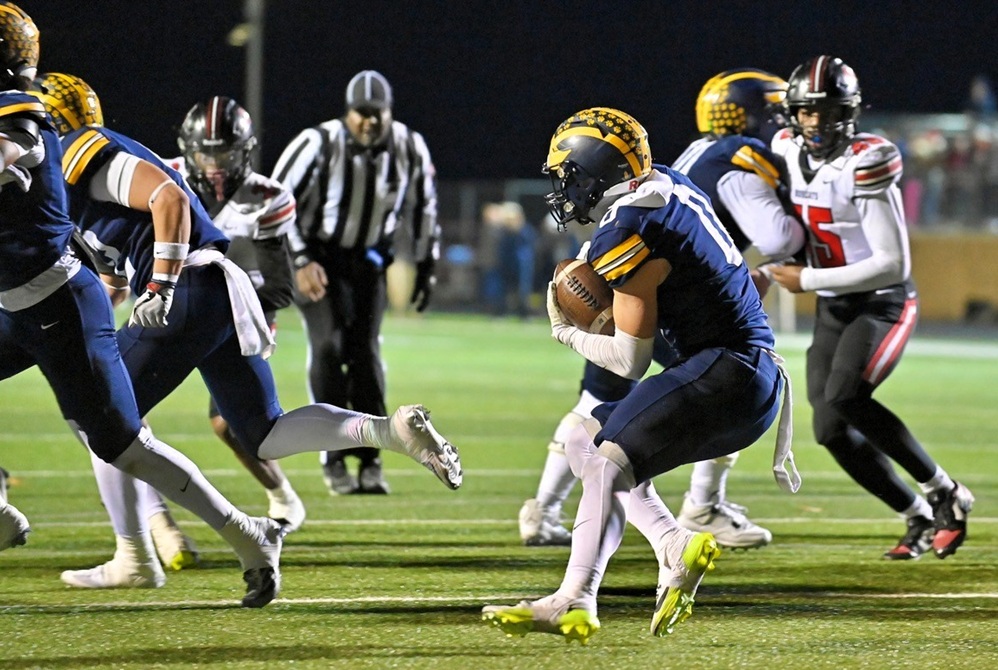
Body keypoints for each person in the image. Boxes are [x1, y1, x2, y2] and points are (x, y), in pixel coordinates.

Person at [32, 72, 462, 593]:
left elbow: (167, 201)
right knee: (265, 433)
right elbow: (117, 266)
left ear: (53, 121)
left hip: (188, 287)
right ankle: (385, 431)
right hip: (218, 290)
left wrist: (160, 283)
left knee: (98, 419)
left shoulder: (79, 151)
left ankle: (137, 553)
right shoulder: (96, 164)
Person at [0, 3, 283, 608]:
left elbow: (20, 150)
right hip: (18, 301)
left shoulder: (27, 115)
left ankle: (246, 533)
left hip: (56, 306)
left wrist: (159, 284)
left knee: (122, 444)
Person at [483, 108, 797, 644]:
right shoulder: (665, 180)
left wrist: (567, 332)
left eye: (571, 174)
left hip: (728, 374)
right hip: (741, 375)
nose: (565, 187)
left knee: (608, 462)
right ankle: (674, 543)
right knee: (586, 433)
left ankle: (573, 598)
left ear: (598, 172)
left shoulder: (628, 231)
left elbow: (629, 361)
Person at [519, 69, 805, 550]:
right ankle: (696, 511)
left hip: (675, 304)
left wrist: (572, 322)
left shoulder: (690, 161)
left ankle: (553, 520)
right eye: (780, 114)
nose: (788, 126)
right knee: (617, 423)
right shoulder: (710, 164)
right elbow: (782, 239)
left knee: (605, 416)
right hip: (683, 307)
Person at [768, 55, 973, 560]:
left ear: (851, 112)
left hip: (882, 303)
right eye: (809, 111)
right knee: (829, 430)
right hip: (834, 306)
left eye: (830, 110)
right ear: (794, 112)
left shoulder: (869, 157)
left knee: (844, 395)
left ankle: (946, 491)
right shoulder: (783, 150)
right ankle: (916, 515)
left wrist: (807, 277)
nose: (818, 122)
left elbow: (891, 263)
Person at [139, 96, 306, 571]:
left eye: (226, 156)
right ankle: (156, 527)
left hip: (233, 321)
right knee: (119, 413)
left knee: (235, 427)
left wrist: (220, 291)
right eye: (206, 155)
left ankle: (283, 497)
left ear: (245, 153)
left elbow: (279, 285)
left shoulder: (267, 196)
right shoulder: (160, 174)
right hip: (168, 312)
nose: (214, 167)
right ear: (187, 151)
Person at [271, 70, 439, 495]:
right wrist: (301, 259)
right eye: (361, 114)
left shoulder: (408, 145)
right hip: (318, 259)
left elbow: (425, 206)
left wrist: (427, 263)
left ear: (389, 112)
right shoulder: (317, 143)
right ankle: (332, 453)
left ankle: (370, 459)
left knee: (364, 354)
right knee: (328, 348)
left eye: (376, 113)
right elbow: (273, 201)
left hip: (368, 262)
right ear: (347, 113)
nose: (369, 122)